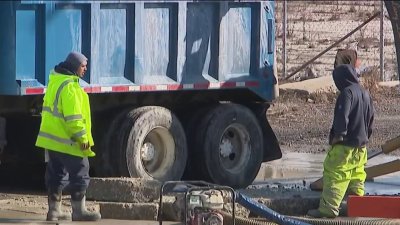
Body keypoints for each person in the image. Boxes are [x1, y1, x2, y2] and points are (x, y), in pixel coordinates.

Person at [35, 51, 101, 221]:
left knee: (56, 174)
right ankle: (79, 211)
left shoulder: (55, 82)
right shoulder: (70, 87)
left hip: (52, 140)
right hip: (68, 141)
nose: (85, 69)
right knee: (80, 172)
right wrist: (83, 139)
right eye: (82, 66)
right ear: (74, 66)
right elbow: (74, 119)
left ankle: (54, 211)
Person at [307, 64, 374, 218]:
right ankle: (357, 206)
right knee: (356, 175)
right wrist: (365, 137)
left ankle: (328, 210)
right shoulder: (365, 93)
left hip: (345, 145)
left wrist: (338, 136)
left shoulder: (346, 93)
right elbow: (371, 119)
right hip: (361, 146)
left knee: (335, 174)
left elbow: (342, 116)